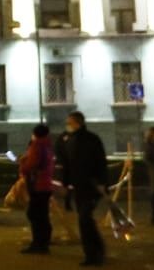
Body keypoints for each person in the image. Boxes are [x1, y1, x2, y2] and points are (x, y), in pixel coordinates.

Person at [57, 112, 108, 267]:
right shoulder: (67, 140)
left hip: (91, 185)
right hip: (79, 186)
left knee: (85, 219)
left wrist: (101, 183)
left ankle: (93, 254)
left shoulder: (91, 139)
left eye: (70, 122)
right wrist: (66, 184)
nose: (68, 125)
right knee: (86, 219)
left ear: (77, 122)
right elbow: (66, 164)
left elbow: (100, 162)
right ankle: (96, 250)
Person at [19, 123, 56, 254]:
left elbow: (32, 164)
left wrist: (23, 164)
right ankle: (43, 242)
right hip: (46, 184)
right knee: (42, 215)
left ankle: (38, 243)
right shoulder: (48, 145)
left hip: (37, 184)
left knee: (35, 214)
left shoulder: (37, 145)